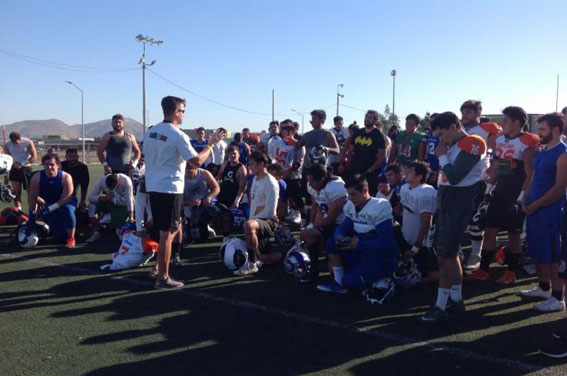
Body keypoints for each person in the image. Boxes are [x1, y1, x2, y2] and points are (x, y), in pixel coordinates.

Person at [142, 96, 225, 289]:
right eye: (183, 111)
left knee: (169, 231)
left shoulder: (151, 132)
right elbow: (196, 161)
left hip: (154, 187)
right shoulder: (177, 135)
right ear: (176, 112)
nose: (184, 115)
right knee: (167, 232)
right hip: (170, 189)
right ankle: (162, 277)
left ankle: (158, 267)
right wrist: (211, 144)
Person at [418, 111, 487, 323]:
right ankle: (455, 300)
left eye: (442, 133)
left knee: (447, 256)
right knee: (445, 255)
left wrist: (441, 154)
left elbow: (455, 177)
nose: (440, 138)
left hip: (458, 202)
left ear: (454, 127)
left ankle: (441, 304)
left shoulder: (473, 142)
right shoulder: (453, 145)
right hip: (447, 201)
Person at [467, 106, 538, 284]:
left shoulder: (528, 141)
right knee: (490, 231)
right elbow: (497, 166)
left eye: (505, 120)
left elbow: (530, 174)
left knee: (514, 235)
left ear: (516, 123)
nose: (502, 123)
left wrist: (521, 198)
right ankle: (483, 269)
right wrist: (488, 191)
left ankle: (511, 272)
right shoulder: (500, 139)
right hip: (500, 192)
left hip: (516, 193)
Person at [316, 174, 397, 294]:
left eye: (353, 194)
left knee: (349, 280)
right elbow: (344, 227)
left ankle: (384, 277)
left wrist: (359, 244)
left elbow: (385, 242)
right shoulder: (351, 205)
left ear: (365, 191)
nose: (351, 198)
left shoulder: (380, 206)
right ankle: (339, 283)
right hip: (361, 248)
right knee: (332, 243)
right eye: (349, 194)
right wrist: (339, 236)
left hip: (378, 254)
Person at [521, 112, 567, 312]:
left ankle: (557, 298)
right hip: (534, 209)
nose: (538, 133)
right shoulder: (542, 151)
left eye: (542, 129)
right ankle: (543, 287)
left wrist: (536, 204)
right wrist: (525, 199)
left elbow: (558, 189)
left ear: (555, 130)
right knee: (538, 250)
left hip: (551, 212)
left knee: (553, 255)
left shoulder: (563, 153)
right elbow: (533, 177)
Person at [459, 100, 502, 271]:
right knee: (459, 218)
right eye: (463, 113)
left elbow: (499, 150)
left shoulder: (487, 128)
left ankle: (476, 254)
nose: (465, 116)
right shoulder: (459, 128)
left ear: (478, 113)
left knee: (476, 219)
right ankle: (459, 252)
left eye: (468, 113)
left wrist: (492, 168)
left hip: (478, 178)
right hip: (459, 179)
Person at [300, 163, 346, 283]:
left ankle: (319, 265)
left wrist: (312, 229)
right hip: (328, 222)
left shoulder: (336, 187)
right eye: (308, 181)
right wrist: (310, 224)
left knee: (309, 234)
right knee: (308, 233)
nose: (309, 185)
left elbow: (331, 218)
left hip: (342, 225)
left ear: (321, 179)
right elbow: (317, 207)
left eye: (312, 181)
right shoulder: (312, 186)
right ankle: (315, 269)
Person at [236, 151, 280, 276]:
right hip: (257, 220)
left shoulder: (271, 182)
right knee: (261, 255)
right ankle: (283, 255)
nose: (250, 167)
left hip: (269, 221)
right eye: (249, 164)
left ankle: (252, 264)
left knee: (248, 226)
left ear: (261, 164)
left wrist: (253, 222)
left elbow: (271, 211)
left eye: (252, 164)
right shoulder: (255, 179)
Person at [397, 161, 439, 284]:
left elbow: (426, 224)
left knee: (432, 273)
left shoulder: (426, 193)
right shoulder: (405, 188)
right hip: (407, 238)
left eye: (410, 172)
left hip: (423, 244)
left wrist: (416, 248)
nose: (406, 173)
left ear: (419, 177)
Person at [27, 153, 76, 248]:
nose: (49, 167)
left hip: (66, 203)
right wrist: (31, 215)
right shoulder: (37, 177)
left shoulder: (65, 177)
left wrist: (50, 209)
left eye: (52, 164)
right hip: (49, 204)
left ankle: (71, 238)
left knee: (68, 212)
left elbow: (67, 198)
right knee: (59, 237)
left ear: (58, 165)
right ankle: (68, 229)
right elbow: (33, 197)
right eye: (46, 164)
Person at [86, 173, 135, 242]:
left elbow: (129, 200)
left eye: (113, 187)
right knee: (92, 206)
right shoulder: (101, 181)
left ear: (118, 183)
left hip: (122, 205)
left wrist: (131, 217)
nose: (111, 189)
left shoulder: (126, 180)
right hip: (109, 202)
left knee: (120, 235)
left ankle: (108, 220)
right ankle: (96, 232)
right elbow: (90, 197)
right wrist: (105, 198)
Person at [182, 163, 220, 253]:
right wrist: (191, 203)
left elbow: (216, 188)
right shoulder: (181, 177)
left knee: (214, 211)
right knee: (192, 235)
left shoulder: (204, 173)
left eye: (191, 170)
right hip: (188, 206)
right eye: (187, 170)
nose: (189, 172)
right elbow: (178, 200)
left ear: (196, 168)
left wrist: (209, 197)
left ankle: (207, 225)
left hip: (204, 204)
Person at [348, 110, 387, 196]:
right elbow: (350, 150)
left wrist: (370, 169)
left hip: (369, 172)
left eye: (370, 117)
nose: (367, 119)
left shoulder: (378, 135)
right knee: (353, 193)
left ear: (375, 120)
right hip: (355, 169)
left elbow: (382, 155)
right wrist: (350, 164)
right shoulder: (358, 132)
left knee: (367, 194)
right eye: (366, 117)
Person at [272, 123, 306, 224]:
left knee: (296, 197)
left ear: (292, 132)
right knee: (283, 196)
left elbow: (299, 161)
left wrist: (289, 171)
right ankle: (284, 216)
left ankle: (303, 217)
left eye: (285, 131)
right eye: (282, 131)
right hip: (282, 174)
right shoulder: (281, 144)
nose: (283, 134)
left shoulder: (298, 144)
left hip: (294, 175)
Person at [216, 145, 248, 242]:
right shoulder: (225, 164)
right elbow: (219, 177)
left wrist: (237, 201)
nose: (233, 156)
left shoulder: (242, 168)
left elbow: (242, 187)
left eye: (235, 154)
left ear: (239, 155)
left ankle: (229, 237)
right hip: (222, 195)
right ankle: (225, 236)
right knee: (221, 215)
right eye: (231, 154)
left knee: (229, 217)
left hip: (233, 196)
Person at [4, 131, 37, 209]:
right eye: (13, 142)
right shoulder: (7, 145)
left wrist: (22, 163)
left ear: (20, 138)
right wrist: (14, 164)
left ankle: (33, 215)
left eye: (17, 141)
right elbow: (8, 159)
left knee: (31, 193)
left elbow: (34, 157)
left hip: (26, 169)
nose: (16, 143)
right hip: (14, 169)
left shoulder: (28, 142)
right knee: (16, 193)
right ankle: (19, 213)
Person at [424, 113, 441, 187]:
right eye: (431, 122)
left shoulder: (443, 134)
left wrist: (438, 174)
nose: (432, 124)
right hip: (429, 168)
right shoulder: (430, 133)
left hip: (438, 169)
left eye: (434, 121)